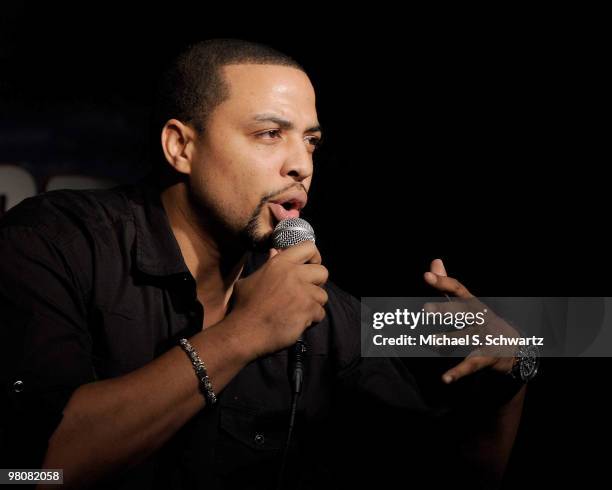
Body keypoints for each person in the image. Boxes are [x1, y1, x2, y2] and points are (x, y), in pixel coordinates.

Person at [0, 39, 526, 489]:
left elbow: (464, 479)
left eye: (311, 142)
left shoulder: (316, 310)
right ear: (181, 146)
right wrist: (243, 334)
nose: (301, 165)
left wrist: (507, 372)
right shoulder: (56, 241)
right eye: (269, 134)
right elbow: (28, 472)